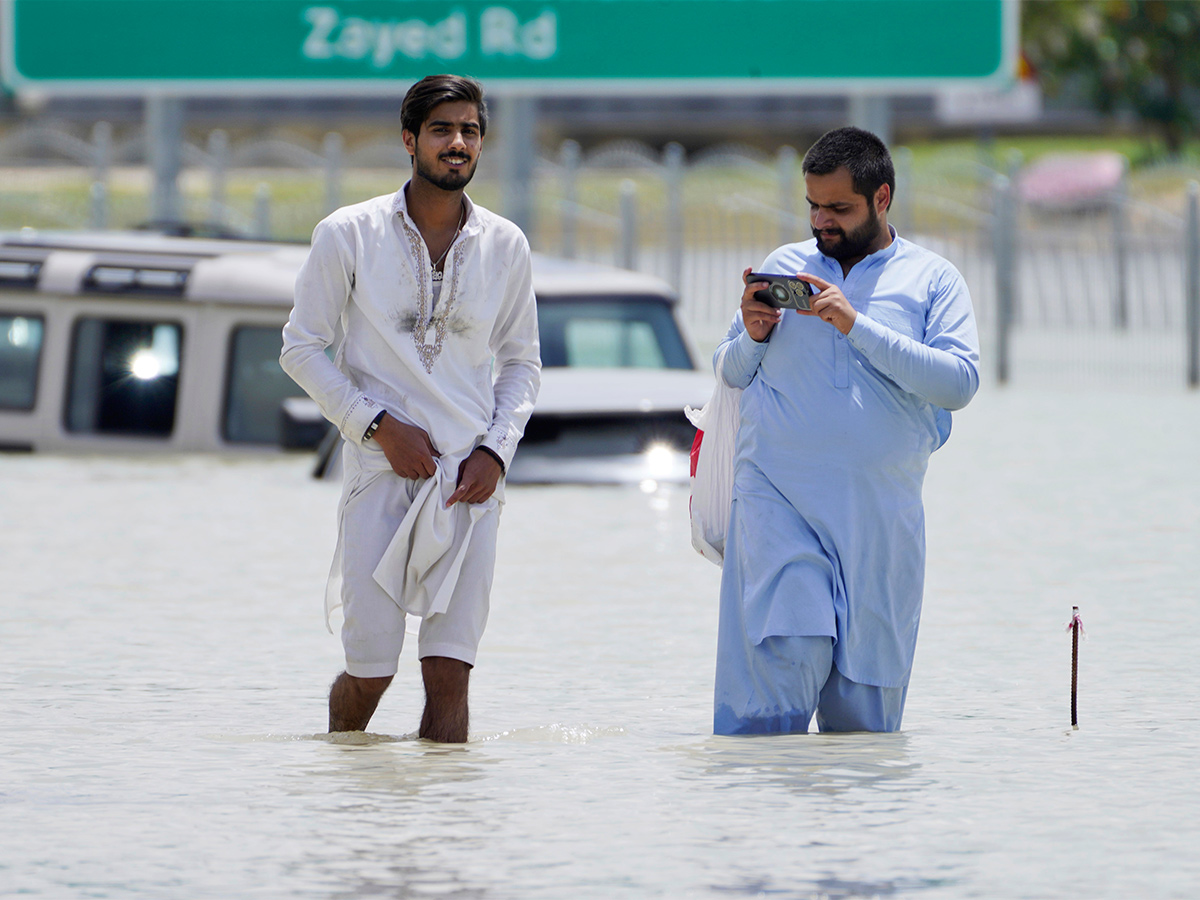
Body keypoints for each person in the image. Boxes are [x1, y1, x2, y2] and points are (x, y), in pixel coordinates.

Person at [281, 74, 541, 742]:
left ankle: (443, 831)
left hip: (469, 483)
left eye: (470, 131)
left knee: (450, 671)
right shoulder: (348, 233)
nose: (457, 143)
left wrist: (495, 453)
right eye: (441, 130)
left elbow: (521, 363)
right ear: (409, 140)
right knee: (371, 671)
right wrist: (375, 424)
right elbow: (301, 349)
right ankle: (350, 791)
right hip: (381, 474)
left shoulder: (505, 244)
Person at [713, 126, 979, 735]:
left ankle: (851, 836)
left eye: (839, 208)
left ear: (882, 199)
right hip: (779, 501)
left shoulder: (933, 280)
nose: (822, 222)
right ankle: (757, 824)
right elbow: (728, 372)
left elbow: (959, 384)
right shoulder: (786, 267)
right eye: (813, 206)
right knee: (787, 653)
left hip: (880, 518)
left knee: (864, 728)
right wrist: (752, 332)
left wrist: (855, 325)